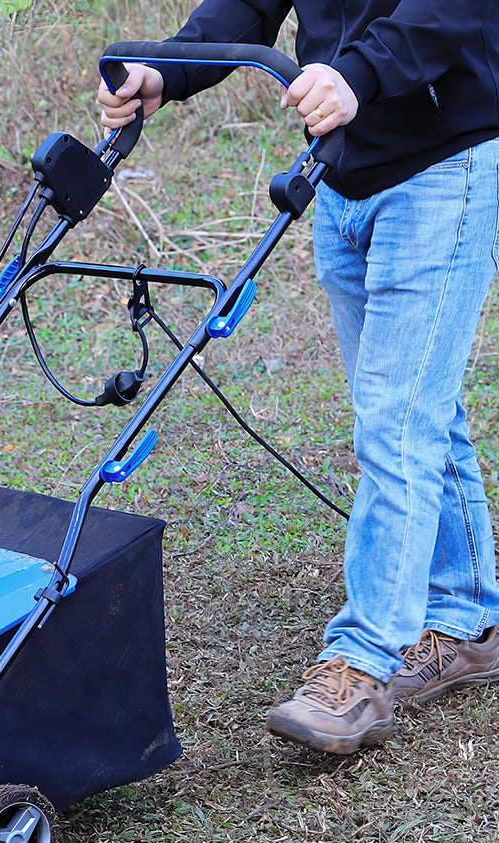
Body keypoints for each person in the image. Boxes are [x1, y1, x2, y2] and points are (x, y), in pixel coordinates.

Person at [98, 1, 499, 754]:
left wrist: (359, 71)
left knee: (397, 421)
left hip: (445, 165)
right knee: (417, 410)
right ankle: (470, 616)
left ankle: (360, 664)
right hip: (342, 173)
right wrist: (169, 69)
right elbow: (248, 4)